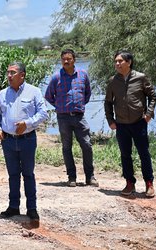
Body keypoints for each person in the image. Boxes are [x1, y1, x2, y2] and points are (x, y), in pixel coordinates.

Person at [0, 61, 48, 223]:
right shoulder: (3, 93)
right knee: (13, 175)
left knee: (28, 174)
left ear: (22, 75)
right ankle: (13, 206)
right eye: (8, 72)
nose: (9, 76)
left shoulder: (34, 91)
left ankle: (32, 208)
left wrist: (27, 124)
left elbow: (43, 113)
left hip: (27, 140)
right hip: (8, 141)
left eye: (12, 73)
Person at [104, 50, 156, 198]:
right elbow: (108, 102)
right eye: (116, 61)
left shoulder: (141, 78)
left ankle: (149, 183)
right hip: (121, 124)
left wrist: (148, 114)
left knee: (144, 153)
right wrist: (110, 120)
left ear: (129, 62)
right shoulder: (113, 81)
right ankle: (129, 182)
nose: (117, 64)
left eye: (120, 61)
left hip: (138, 123)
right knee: (125, 155)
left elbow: (152, 96)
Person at [44, 49, 98, 187]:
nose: (66, 61)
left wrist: (78, 105)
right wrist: (60, 106)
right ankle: (71, 177)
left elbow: (87, 93)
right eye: (63, 59)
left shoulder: (83, 75)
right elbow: (48, 96)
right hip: (63, 118)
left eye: (68, 59)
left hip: (79, 116)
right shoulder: (56, 77)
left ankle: (90, 177)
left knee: (87, 145)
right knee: (67, 147)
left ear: (74, 60)